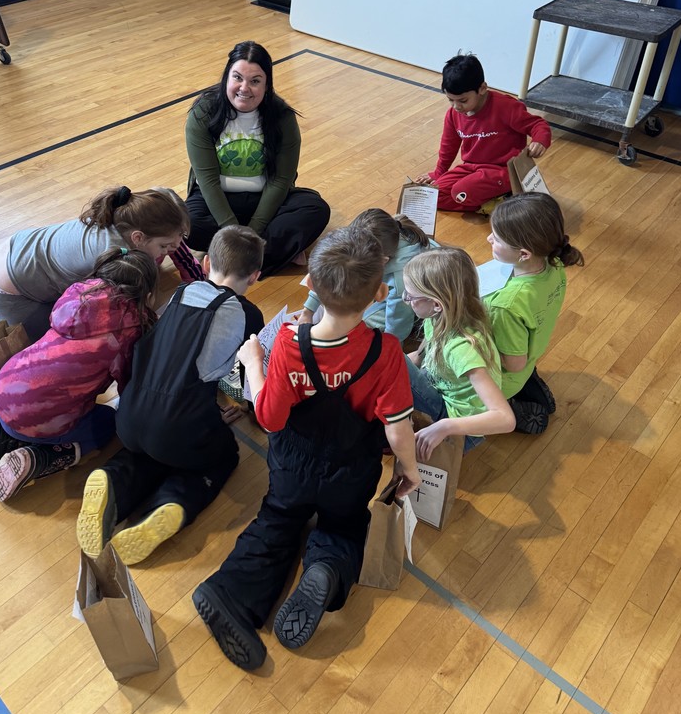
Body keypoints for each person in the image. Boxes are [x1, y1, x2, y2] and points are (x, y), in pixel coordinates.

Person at [192, 226, 421, 671]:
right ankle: (327, 569)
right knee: (345, 528)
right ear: (379, 292)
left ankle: (232, 593)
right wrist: (408, 470)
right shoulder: (387, 350)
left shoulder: (290, 345)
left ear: (311, 285)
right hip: (350, 470)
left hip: (292, 466)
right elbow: (397, 428)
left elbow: (269, 418)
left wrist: (254, 365)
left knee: (277, 519)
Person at [75, 225, 265, 566]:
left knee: (151, 451)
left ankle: (113, 480)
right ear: (254, 276)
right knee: (222, 455)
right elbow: (240, 375)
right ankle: (172, 502)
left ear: (206, 265)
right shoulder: (249, 315)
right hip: (180, 426)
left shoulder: (181, 293)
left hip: (130, 417)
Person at [0, 185, 202, 376]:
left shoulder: (136, 212)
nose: (170, 251)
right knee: (54, 354)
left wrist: (199, 281)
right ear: (138, 239)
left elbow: (175, 243)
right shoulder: (112, 258)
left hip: (4, 265)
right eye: (165, 247)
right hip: (8, 294)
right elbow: (108, 320)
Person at [0, 248, 158, 503]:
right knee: (107, 422)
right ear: (147, 294)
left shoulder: (77, 294)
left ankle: (0, 431)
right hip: (41, 416)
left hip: (3, 389)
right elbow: (129, 386)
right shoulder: (128, 329)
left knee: (34, 409)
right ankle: (47, 457)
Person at [184, 41, 330, 276]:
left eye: (255, 81)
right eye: (237, 77)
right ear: (227, 77)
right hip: (216, 198)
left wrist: (251, 231)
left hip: (266, 199)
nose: (244, 88)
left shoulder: (282, 116)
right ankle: (267, 254)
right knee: (187, 223)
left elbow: (281, 180)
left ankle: (230, 256)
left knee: (316, 209)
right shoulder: (203, 111)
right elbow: (207, 179)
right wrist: (234, 229)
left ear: (266, 84)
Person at [483, 192, 584, 434]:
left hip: (504, 377)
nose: (488, 239)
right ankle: (527, 385)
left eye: (496, 238)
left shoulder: (505, 306)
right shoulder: (554, 262)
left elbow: (513, 364)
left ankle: (509, 407)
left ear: (524, 254)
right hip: (529, 353)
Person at [403, 247, 515, 460]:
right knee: (395, 360)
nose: (405, 300)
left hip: (459, 431)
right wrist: (416, 357)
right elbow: (431, 339)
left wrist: (445, 426)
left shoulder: (461, 349)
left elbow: (505, 419)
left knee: (388, 356)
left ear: (436, 304)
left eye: (410, 295)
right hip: (444, 389)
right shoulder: (443, 315)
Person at [415, 54, 552, 213]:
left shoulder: (506, 107)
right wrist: (438, 173)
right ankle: (496, 203)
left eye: (463, 100)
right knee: (432, 196)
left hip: (504, 170)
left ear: (482, 88)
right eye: (450, 100)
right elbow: (448, 147)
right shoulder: (453, 115)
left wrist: (540, 140)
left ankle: (503, 194)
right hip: (471, 168)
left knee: (460, 191)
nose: (456, 106)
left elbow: (538, 124)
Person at [299, 209, 435, 342]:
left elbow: (399, 322)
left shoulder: (401, 280)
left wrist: (390, 348)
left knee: (359, 325)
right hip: (393, 287)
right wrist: (307, 311)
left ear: (383, 261)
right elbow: (329, 270)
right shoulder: (383, 238)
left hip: (418, 301)